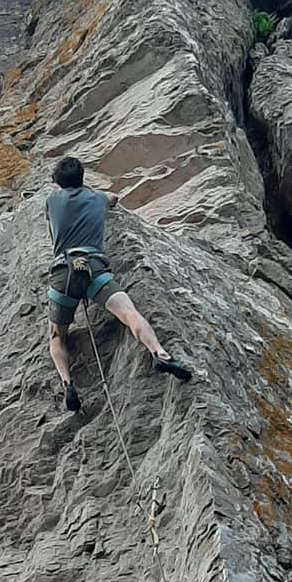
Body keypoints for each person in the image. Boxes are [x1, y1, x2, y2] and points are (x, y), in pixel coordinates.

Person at [45, 156, 191, 411]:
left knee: (57, 336)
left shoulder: (52, 200)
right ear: (82, 178)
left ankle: (68, 384)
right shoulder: (98, 199)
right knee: (128, 312)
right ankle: (160, 353)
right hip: (94, 268)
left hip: (64, 272)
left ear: (58, 182)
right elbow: (113, 198)